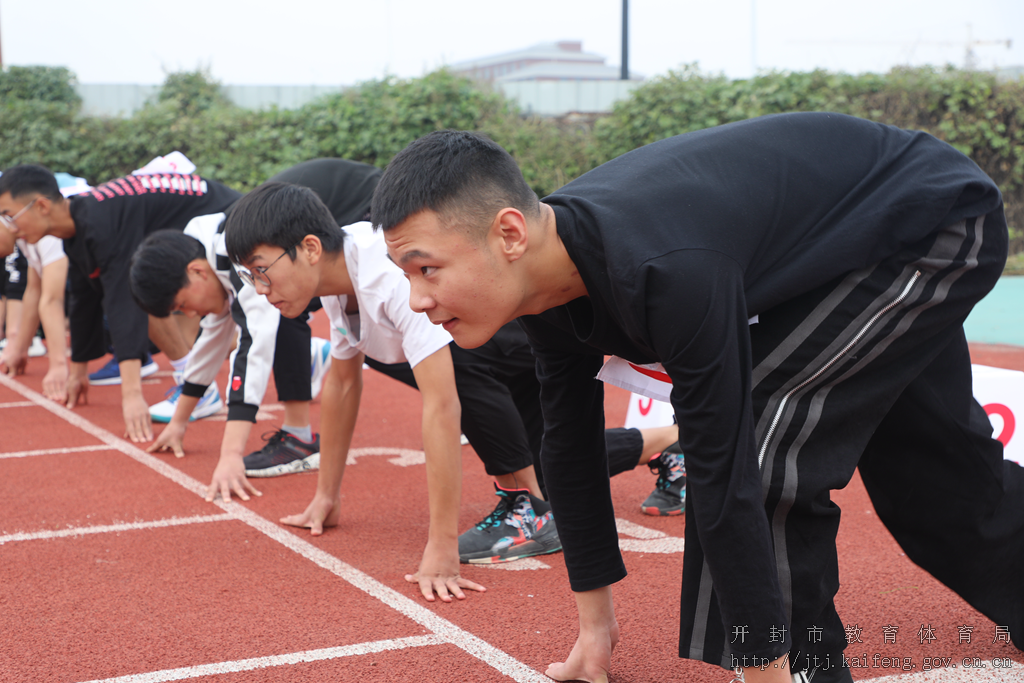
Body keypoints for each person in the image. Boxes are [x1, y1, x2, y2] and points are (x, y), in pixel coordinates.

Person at [370, 116, 1024, 683]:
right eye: (404, 273)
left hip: (931, 224)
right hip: (848, 244)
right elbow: (566, 446)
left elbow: (726, 466)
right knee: (938, 476)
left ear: (509, 234)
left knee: (762, 437)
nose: (418, 298)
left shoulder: (668, 269)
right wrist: (596, 629)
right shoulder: (545, 278)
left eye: (427, 268)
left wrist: (764, 661)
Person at [221, 181, 678, 602]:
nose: (261, 290)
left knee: (447, 358)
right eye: (250, 277)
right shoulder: (339, 285)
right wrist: (326, 496)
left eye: (263, 271)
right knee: (555, 466)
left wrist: (441, 547)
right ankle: (670, 444)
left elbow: (442, 406)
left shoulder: (390, 276)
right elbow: (342, 384)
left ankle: (525, 503)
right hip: (500, 353)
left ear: (310, 248)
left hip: (521, 335)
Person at [0, 165, 241, 443]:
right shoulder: (80, 225)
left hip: (227, 216)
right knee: (189, 312)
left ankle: (199, 388)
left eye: (9, 216)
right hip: (197, 221)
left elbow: (123, 303)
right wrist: (78, 371)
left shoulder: (102, 222)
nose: (9, 227)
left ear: (41, 205)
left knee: (145, 290)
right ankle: (200, 381)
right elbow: (83, 299)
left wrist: (132, 395)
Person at [130, 222, 332, 503]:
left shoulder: (240, 259)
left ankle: (299, 437)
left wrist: (231, 455)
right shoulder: (211, 256)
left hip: (352, 216)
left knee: (280, 309)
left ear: (196, 271)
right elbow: (211, 341)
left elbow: (253, 348)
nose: (189, 315)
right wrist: (179, 422)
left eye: (182, 304)